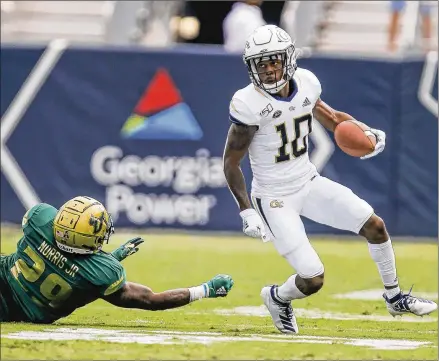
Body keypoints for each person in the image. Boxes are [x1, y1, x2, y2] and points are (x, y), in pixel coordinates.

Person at [222, 24, 437, 334]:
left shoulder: (306, 84)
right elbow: (231, 162)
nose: (268, 70)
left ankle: (395, 298)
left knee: (375, 226)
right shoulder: (248, 103)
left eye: (273, 61)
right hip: (273, 196)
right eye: (261, 63)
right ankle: (277, 297)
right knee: (312, 279)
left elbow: (334, 119)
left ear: (288, 59)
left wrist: (364, 131)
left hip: (308, 181)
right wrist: (246, 210)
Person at [0, 196, 234, 323]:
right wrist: (205, 289)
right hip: (16, 313)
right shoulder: (102, 274)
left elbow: (58, 259)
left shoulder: (39, 218)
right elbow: (150, 300)